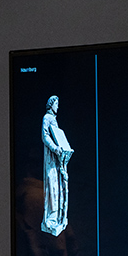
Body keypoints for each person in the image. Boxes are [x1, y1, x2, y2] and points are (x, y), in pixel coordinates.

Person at [41, 96, 71, 236]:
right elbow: (45, 136)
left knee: (58, 186)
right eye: (56, 104)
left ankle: (57, 217)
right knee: (52, 185)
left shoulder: (54, 119)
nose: (58, 107)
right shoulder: (47, 118)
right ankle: (51, 219)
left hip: (57, 158)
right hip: (51, 158)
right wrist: (55, 148)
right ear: (51, 105)